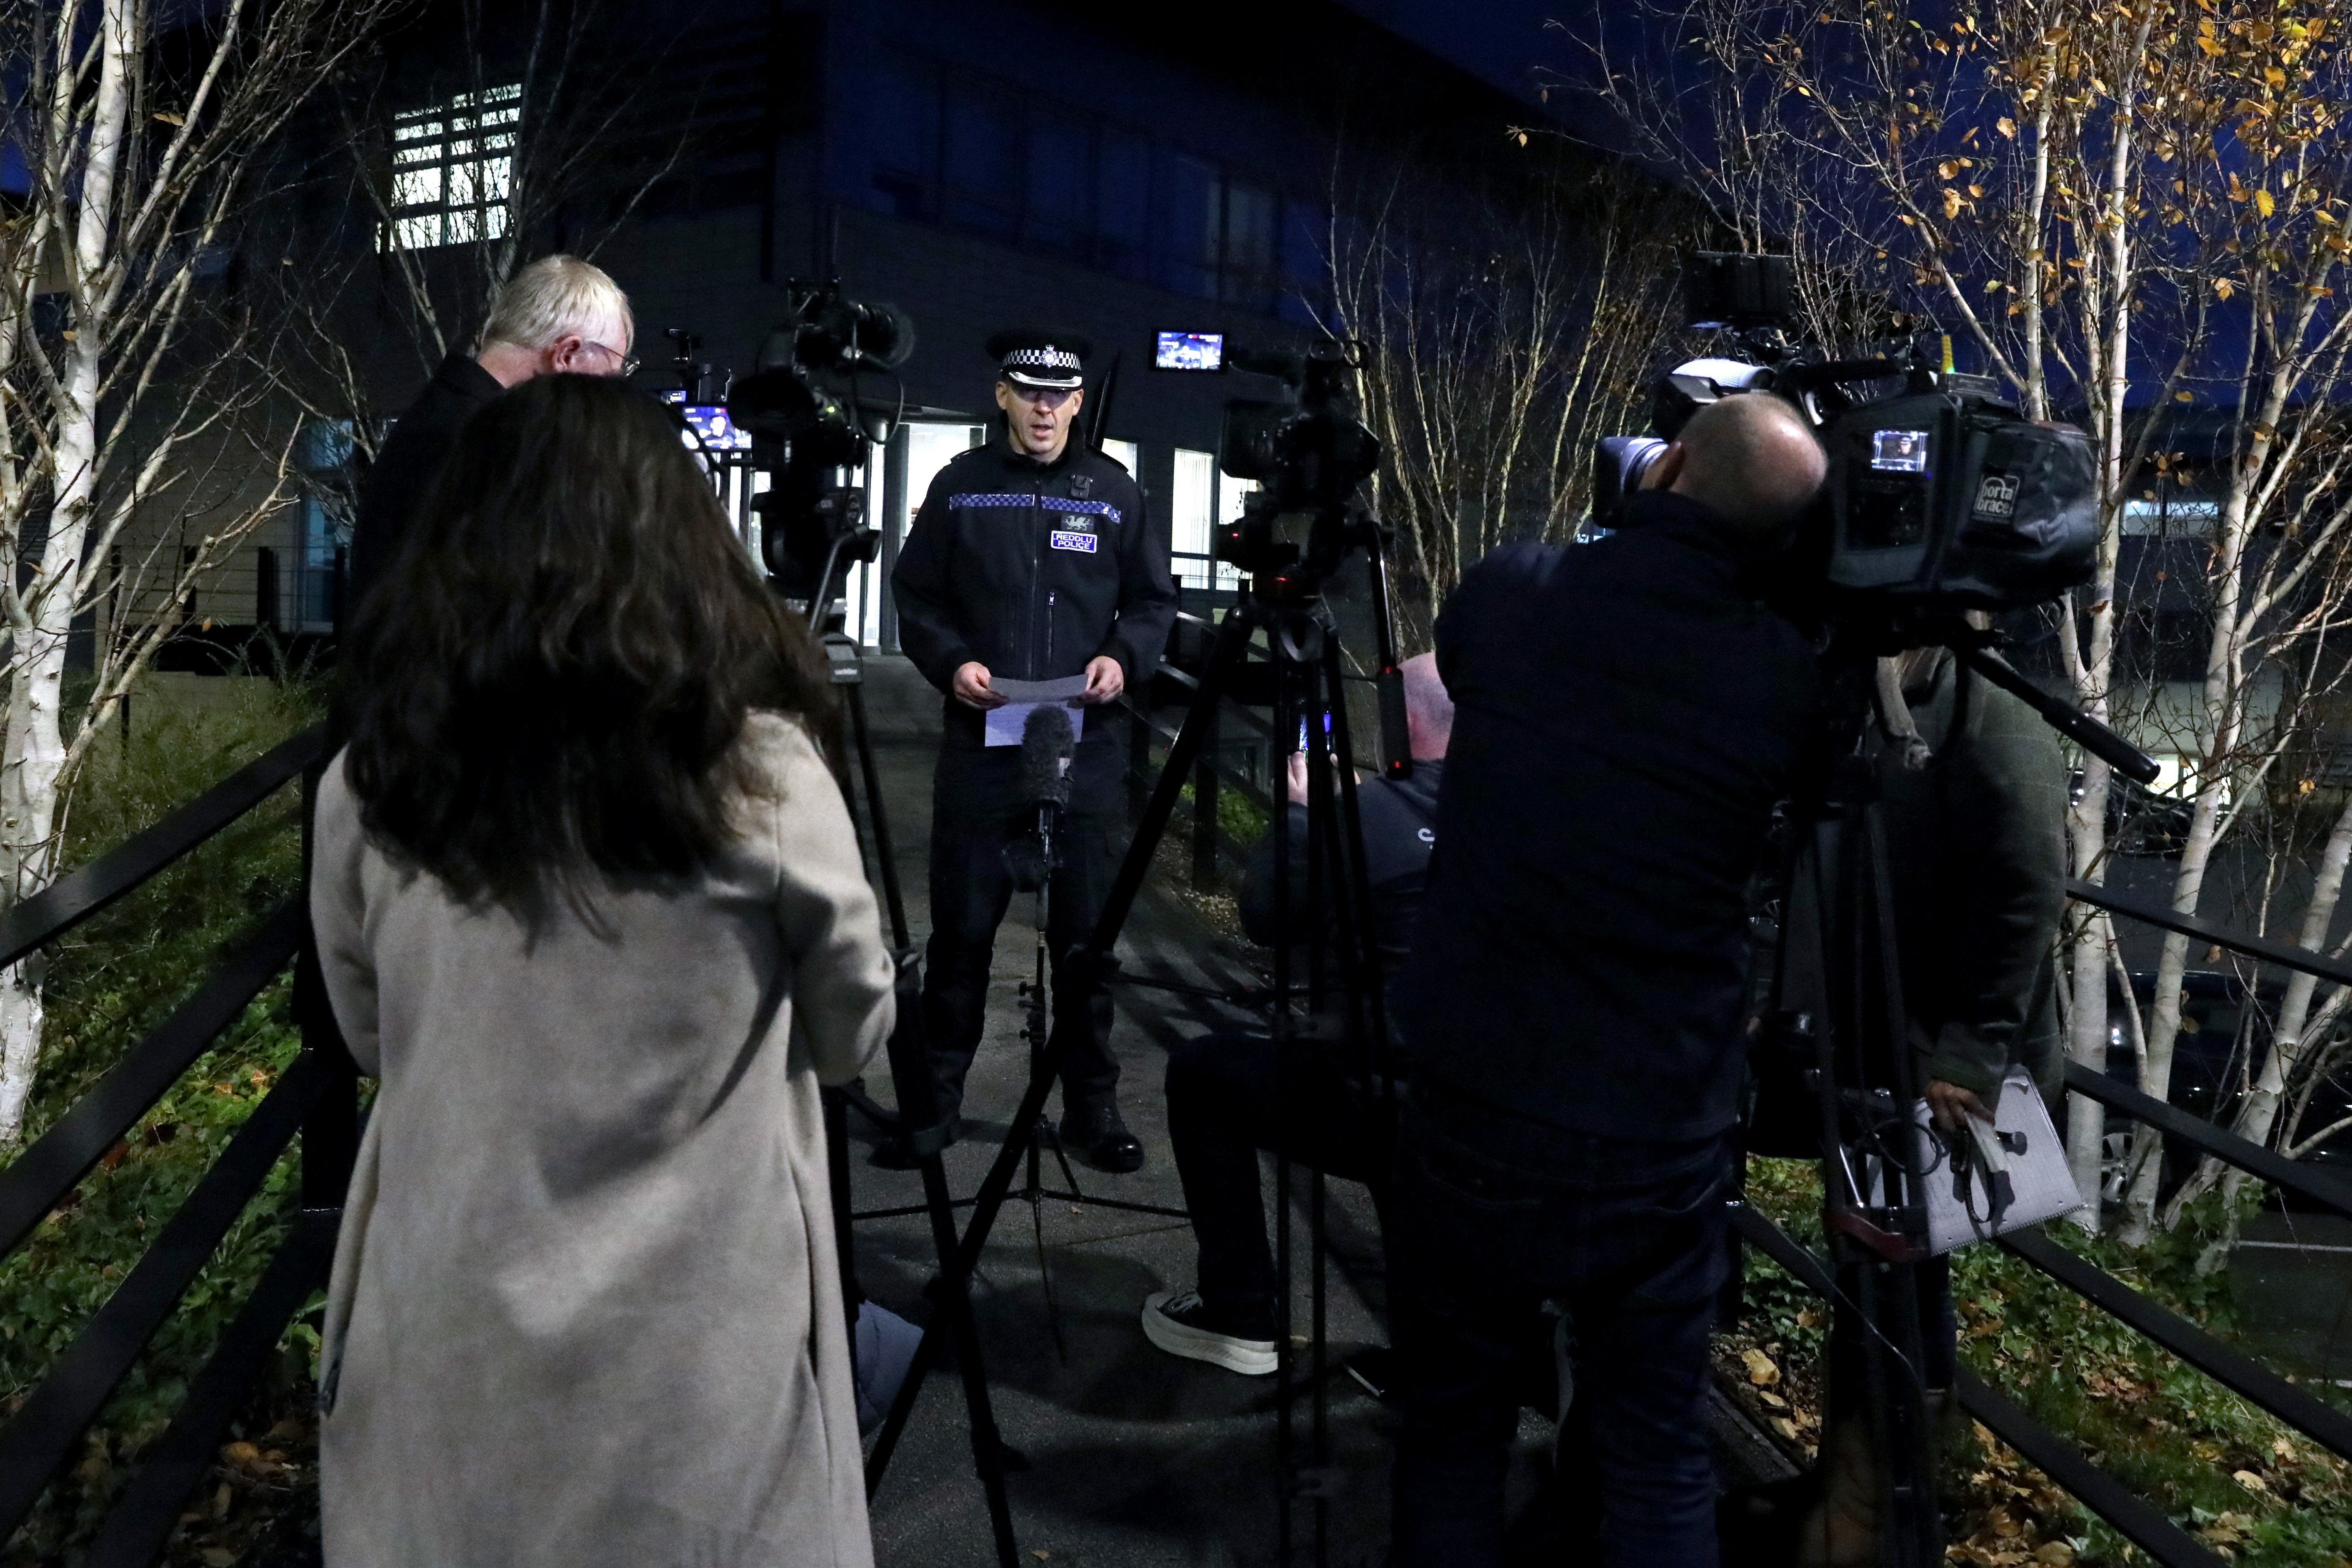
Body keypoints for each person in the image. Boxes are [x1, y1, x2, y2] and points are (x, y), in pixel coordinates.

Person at [313, 374, 895, 1566]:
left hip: (451, 1317)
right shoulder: (763, 771)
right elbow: (853, 1033)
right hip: (697, 1348)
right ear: (685, 537)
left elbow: (371, 1033)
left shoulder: (377, 779)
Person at [1387, 392, 1829, 1568]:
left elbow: (1478, 658)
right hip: (1658, 1128)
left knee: (1450, 1433)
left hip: (1475, 1092)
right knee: (1655, 1455)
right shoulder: (1789, 673)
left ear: (1668, 463)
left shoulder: (1517, 594)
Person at [1798, 632, 2068, 1568]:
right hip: (1883, 1041)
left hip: (1935, 1062)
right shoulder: (1881, 688)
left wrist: (1968, 1050)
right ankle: (1854, 1492)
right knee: (1874, 1265)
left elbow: (2027, 877)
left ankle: (1875, 1513)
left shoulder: (1984, 706)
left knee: (1903, 1274)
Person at [885, 328, 1177, 1173]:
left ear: (1079, 403)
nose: (1045, 408)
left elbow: (1153, 602)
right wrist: (950, 662)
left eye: (1060, 394)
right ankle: (936, 1106)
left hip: (1084, 748)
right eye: (1029, 391)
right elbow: (916, 595)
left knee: (1086, 939)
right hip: (982, 741)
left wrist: (1124, 658)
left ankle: (1092, 1108)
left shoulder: (1117, 494)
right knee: (963, 932)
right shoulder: (960, 488)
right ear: (1004, 396)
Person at [1140, 654, 1451, 1375]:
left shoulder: (1358, 818)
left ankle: (1239, 1313)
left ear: (1400, 720)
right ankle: (1441, 1348)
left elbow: (1265, 915)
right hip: (1477, 1101)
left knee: (1203, 1072)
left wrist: (1305, 818)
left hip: (1372, 1095)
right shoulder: (1520, 818)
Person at [346, 253, 635, 612]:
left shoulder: (439, 416)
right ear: (568, 354)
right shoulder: (497, 444)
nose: (605, 398)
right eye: (607, 378)